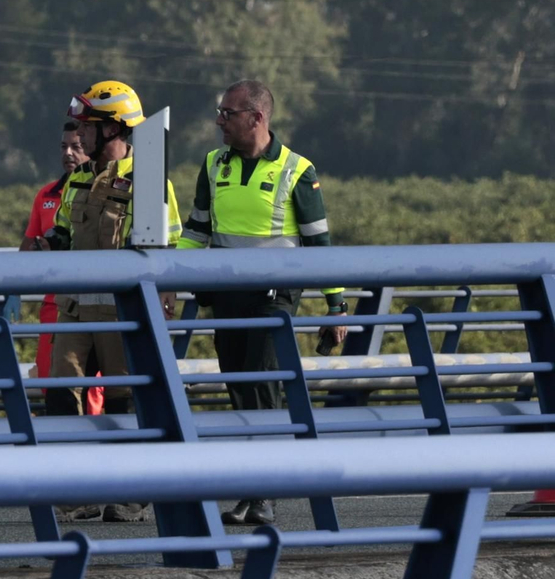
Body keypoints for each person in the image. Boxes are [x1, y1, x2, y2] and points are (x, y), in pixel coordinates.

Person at [177, 79, 349, 526]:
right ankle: (252, 492)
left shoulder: (298, 169)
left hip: (274, 302)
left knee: (263, 388)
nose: (219, 121)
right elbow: (197, 232)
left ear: (256, 117)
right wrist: (166, 282)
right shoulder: (213, 164)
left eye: (227, 114)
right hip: (226, 297)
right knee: (239, 387)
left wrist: (336, 307)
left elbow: (319, 243)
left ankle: (263, 493)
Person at [42, 81, 181, 522]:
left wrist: (162, 298)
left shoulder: (150, 181)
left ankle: (130, 493)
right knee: (63, 397)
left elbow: (168, 251)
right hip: (74, 310)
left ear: (115, 130)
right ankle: (76, 490)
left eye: (90, 127)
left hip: (122, 315)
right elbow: (62, 233)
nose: (80, 136)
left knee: (124, 400)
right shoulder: (76, 180)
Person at [19, 122, 103, 416]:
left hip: (98, 307)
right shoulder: (45, 195)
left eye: (76, 147)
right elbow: (26, 251)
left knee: (94, 392)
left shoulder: (107, 190)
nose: (68, 153)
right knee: (54, 387)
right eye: (63, 146)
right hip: (55, 307)